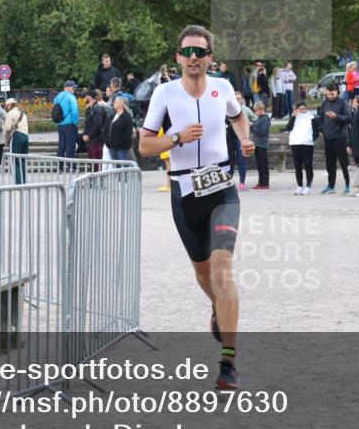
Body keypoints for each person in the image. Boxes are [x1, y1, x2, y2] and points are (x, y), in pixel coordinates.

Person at [137, 24, 254, 391]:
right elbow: (143, 147)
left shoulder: (222, 88)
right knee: (204, 276)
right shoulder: (165, 94)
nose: (193, 58)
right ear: (177, 57)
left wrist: (246, 139)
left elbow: (237, 116)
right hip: (184, 193)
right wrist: (175, 137)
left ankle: (228, 363)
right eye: (187, 52)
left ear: (209, 58)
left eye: (200, 53)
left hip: (221, 189)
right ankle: (220, 310)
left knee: (222, 272)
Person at [318, 83, 352, 195]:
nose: (331, 96)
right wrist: (323, 130)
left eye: (332, 93)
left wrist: (336, 117)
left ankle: (348, 185)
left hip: (340, 137)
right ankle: (331, 186)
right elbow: (321, 119)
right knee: (330, 163)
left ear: (337, 92)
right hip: (328, 137)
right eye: (328, 94)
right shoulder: (324, 103)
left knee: (344, 162)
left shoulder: (343, 102)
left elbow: (348, 118)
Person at [285, 101, 320, 195]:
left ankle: (308, 186)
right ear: (297, 110)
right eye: (300, 109)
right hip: (295, 143)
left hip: (307, 144)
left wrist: (310, 138)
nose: (302, 111)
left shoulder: (311, 118)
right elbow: (288, 128)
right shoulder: (294, 118)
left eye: (304, 109)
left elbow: (316, 132)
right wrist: (293, 117)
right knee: (297, 166)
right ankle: (299, 186)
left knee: (308, 165)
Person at [4, 97, 29, 184]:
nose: (6, 108)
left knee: (14, 161)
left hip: (17, 136)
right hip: (26, 137)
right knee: (22, 160)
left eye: (7, 106)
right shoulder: (23, 113)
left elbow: (7, 128)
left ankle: (17, 182)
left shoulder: (10, 113)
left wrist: (6, 140)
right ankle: (23, 181)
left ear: (10, 105)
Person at [53, 80, 80, 162]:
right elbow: (75, 111)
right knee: (70, 146)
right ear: (68, 88)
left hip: (60, 125)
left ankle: (60, 167)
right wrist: (75, 123)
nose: (74, 89)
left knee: (61, 145)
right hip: (70, 124)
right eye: (73, 87)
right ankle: (71, 166)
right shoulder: (71, 97)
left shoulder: (57, 97)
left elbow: (54, 110)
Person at [82, 90, 110, 160]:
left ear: (89, 97)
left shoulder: (97, 108)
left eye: (86, 96)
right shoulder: (89, 109)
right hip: (90, 141)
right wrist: (84, 135)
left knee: (97, 163)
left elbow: (97, 125)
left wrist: (88, 136)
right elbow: (88, 124)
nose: (84, 98)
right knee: (92, 163)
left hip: (97, 140)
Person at [106, 96, 134, 161]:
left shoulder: (127, 117)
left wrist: (120, 142)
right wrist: (106, 140)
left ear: (121, 104)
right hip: (111, 146)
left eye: (115, 102)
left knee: (123, 165)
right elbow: (107, 128)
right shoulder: (112, 115)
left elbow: (128, 132)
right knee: (115, 166)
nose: (113, 103)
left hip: (121, 147)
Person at [250, 102, 271, 190]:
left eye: (256, 111)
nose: (255, 112)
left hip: (262, 145)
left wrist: (252, 127)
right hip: (257, 145)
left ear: (261, 110)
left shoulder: (265, 119)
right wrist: (252, 126)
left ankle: (265, 183)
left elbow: (262, 132)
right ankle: (260, 182)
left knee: (263, 165)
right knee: (259, 165)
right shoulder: (258, 119)